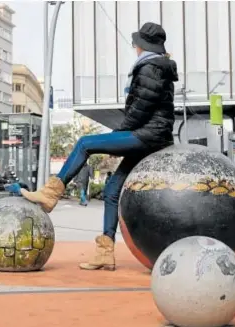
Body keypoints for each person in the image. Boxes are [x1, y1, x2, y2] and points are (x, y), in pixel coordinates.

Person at [17, 22, 178, 271]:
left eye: (136, 43)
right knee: (112, 188)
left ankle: (50, 195)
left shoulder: (150, 67)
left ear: (142, 46)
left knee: (85, 144)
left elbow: (140, 110)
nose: (134, 47)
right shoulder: (158, 66)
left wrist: (119, 135)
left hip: (148, 135)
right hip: (154, 135)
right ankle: (105, 253)